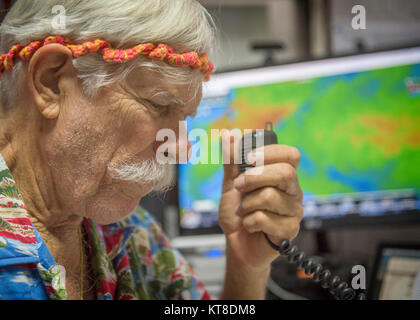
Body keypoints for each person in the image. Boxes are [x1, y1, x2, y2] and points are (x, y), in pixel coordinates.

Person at [0, 0, 303, 300]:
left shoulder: (132, 234)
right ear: (51, 82)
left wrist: (246, 266)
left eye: (183, 119)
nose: (182, 150)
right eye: (158, 105)